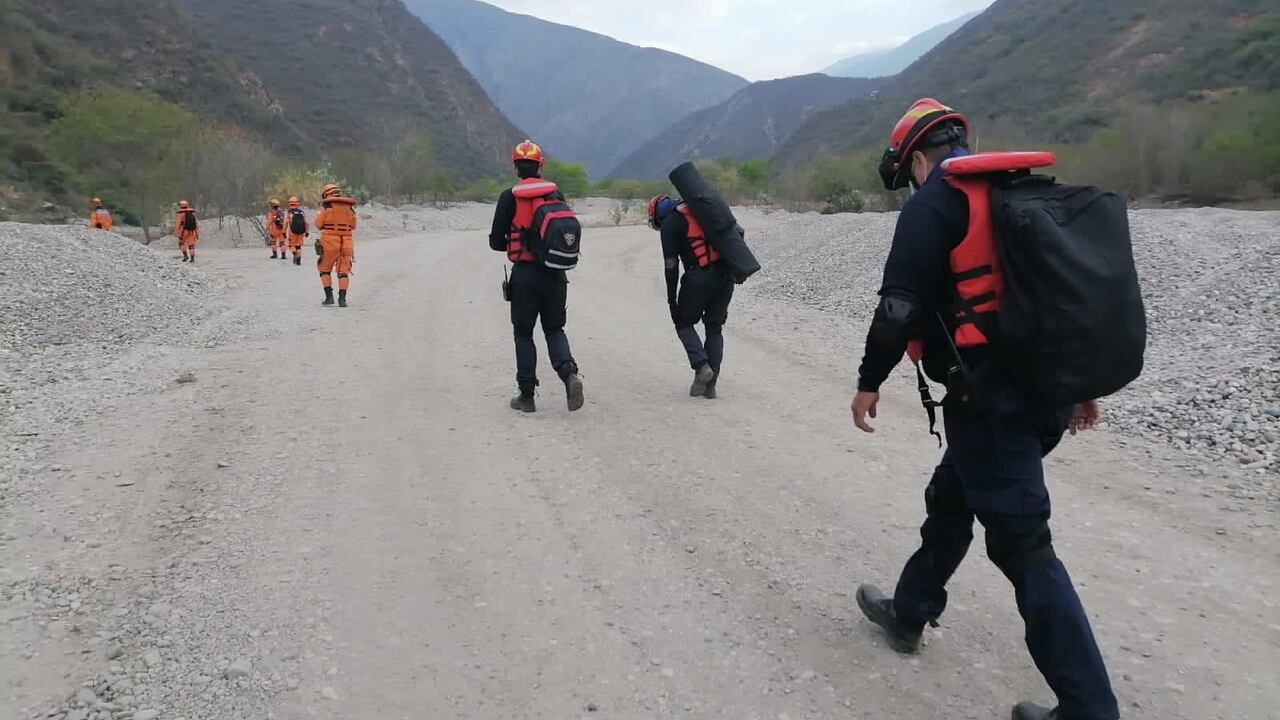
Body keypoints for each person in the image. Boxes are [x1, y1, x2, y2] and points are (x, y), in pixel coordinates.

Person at [849, 99, 1120, 720]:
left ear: (917, 158)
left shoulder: (935, 202)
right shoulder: (1022, 193)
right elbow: (1064, 299)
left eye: (909, 172)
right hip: (1043, 394)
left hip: (990, 403)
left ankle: (1089, 708)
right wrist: (1080, 384)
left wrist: (870, 381)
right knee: (952, 498)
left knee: (1024, 547)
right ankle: (910, 611)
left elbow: (898, 308)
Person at [488, 139, 584, 413]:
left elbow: (496, 242)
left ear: (516, 167)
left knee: (524, 334)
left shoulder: (509, 197)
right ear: (540, 166)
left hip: (524, 275)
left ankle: (527, 396)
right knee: (554, 329)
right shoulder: (556, 194)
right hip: (555, 274)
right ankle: (569, 375)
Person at [646, 193, 734, 398]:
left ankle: (701, 365)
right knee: (714, 328)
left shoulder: (671, 223)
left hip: (698, 277)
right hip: (726, 276)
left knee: (684, 323)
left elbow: (671, 266)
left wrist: (671, 300)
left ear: (657, 215)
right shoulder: (706, 211)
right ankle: (710, 386)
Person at [315, 184, 356, 307]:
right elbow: (353, 226)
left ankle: (329, 297)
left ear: (326, 194)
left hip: (328, 242)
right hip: (347, 242)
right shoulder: (349, 207)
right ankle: (342, 300)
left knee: (324, 269)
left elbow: (318, 224)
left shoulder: (326, 207)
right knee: (343, 272)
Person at [285, 197, 308, 266]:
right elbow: (305, 222)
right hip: (301, 232)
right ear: (298, 203)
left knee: (291, 245)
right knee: (298, 246)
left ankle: (295, 255)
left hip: (292, 232)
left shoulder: (289, 213)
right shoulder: (302, 212)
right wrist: (306, 231)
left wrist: (283, 232)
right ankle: (299, 259)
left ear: (289, 203)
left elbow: (285, 223)